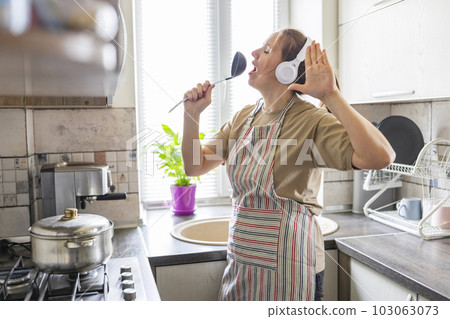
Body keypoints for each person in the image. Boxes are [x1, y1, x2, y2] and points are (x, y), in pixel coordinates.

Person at [181, 28, 395, 301]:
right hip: (242, 265)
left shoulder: (312, 120)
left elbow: (381, 156)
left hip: (292, 269)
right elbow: (195, 165)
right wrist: (192, 115)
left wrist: (331, 95)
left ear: (288, 70)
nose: (254, 54)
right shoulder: (242, 118)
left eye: (267, 50)